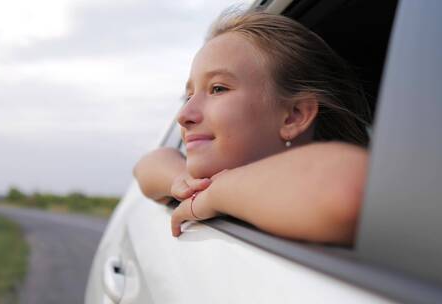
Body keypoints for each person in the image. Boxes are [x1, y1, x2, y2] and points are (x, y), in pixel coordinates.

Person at [134, 9, 372, 246]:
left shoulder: (316, 188)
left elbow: (351, 189)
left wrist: (217, 192)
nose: (183, 115)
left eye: (218, 89)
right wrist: (183, 181)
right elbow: (147, 166)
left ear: (294, 116)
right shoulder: (194, 184)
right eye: (189, 96)